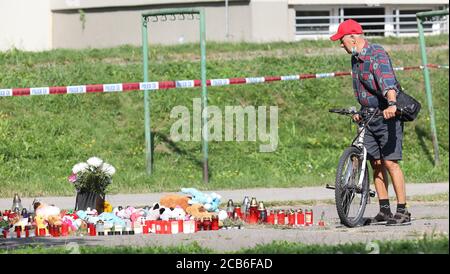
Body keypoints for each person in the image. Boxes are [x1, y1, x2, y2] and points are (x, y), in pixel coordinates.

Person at [330, 19, 411, 226]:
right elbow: (365, 91)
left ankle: (403, 211)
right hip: (369, 114)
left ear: (353, 38)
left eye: (341, 40)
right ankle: (384, 210)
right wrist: (360, 111)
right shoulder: (355, 58)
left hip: (387, 114)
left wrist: (392, 104)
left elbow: (387, 81)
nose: (341, 45)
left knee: (390, 162)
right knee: (375, 163)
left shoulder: (377, 54)